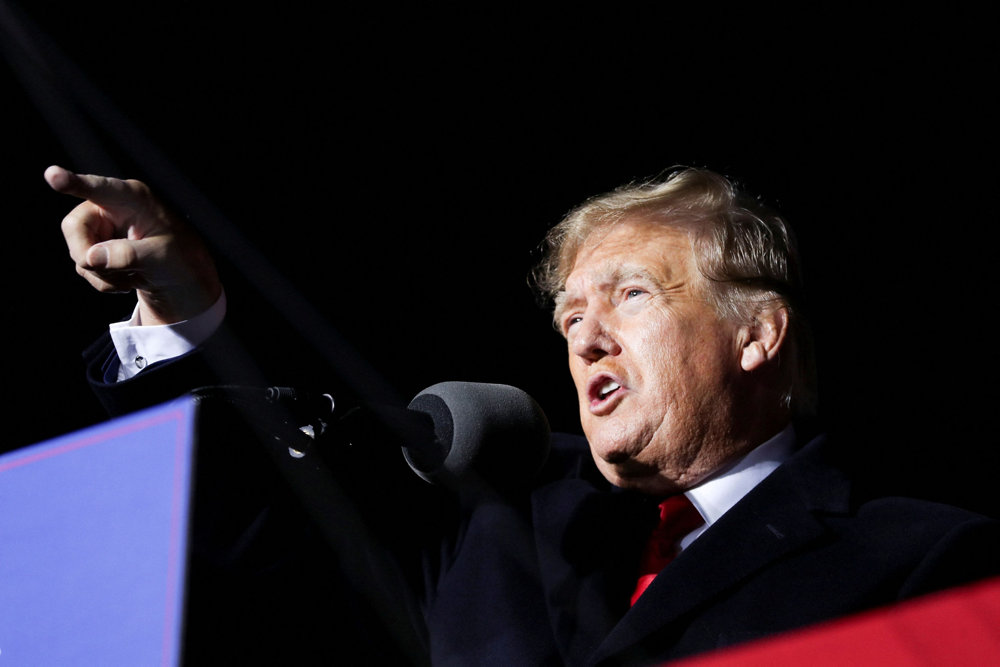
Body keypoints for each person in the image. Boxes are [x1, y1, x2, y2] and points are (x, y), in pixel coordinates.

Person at [47, 164, 1000, 665]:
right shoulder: (495, 518)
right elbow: (246, 507)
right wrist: (181, 323)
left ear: (757, 336)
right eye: (570, 316)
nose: (584, 339)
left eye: (628, 295)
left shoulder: (928, 561)